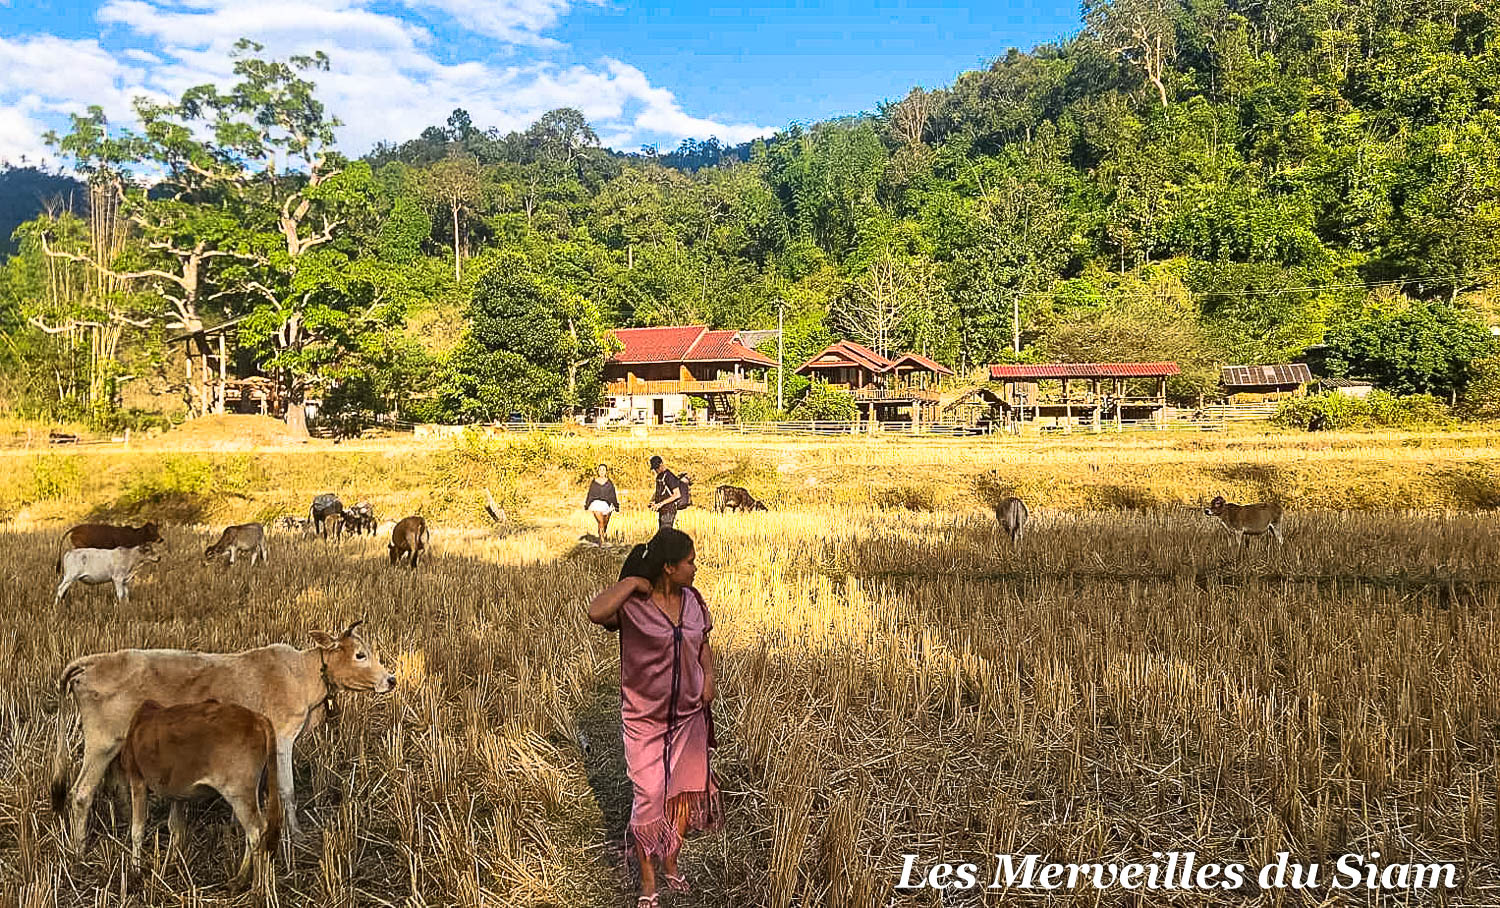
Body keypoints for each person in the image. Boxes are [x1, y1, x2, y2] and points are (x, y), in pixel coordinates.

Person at [588, 528, 722, 906]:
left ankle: (671, 864)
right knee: (650, 796)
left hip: (689, 716)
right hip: (644, 719)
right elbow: (596, 612)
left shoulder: (694, 600)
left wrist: (708, 678)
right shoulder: (633, 605)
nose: (695, 568)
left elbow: (703, 644)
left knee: (681, 793)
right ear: (668, 567)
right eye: (689, 562)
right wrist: (632, 581)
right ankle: (648, 885)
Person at [585, 463, 620, 544]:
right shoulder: (594, 483)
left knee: (605, 522)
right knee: (600, 521)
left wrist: (616, 505)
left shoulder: (609, 483)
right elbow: (590, 494)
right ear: (598, 471)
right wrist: (587, 504)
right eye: (600, 470)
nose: (601, 471)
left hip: (607, 504)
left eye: (603, 470)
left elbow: (613, 495)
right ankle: (602, 541)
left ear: (606, 471)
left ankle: (602, 534)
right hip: (596, 504)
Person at [648, 454, 684, 529]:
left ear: (661, 464)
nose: (656, 470)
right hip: (662, 511)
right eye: (654, 469)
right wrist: (653, 501)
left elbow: (677, 494)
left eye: (657, 468)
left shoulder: (669, 476)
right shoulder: (659, 476)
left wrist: (660, 504)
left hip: (669, 511)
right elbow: (659, 491)